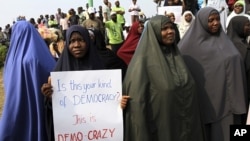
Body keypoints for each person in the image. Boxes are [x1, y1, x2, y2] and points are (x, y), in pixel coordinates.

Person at [122, 15, 205, 141]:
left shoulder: (178, 58)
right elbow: (137, 106)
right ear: (154, 32)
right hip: (160, 131)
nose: (170, 31)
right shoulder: (141, 64)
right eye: (164, 28)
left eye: (171, 27)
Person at [178, 7, 248, 141]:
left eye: (217, 19)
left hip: (232, 105)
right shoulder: (187, 48)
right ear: (202, 22)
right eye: (211, 20)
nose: (215, 23)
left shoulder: (226, 41)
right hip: (209, 108)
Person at [0, 21, 56, 140]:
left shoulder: (11, 59)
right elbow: (53, 72)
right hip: (41, 106)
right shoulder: (40, 56)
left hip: (16, 107)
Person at [227, 15, 250, 123]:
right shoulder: (239, 47)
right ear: (238, 27)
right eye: (247, 25)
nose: (249, 27)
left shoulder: (243, 43)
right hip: (240, 90)